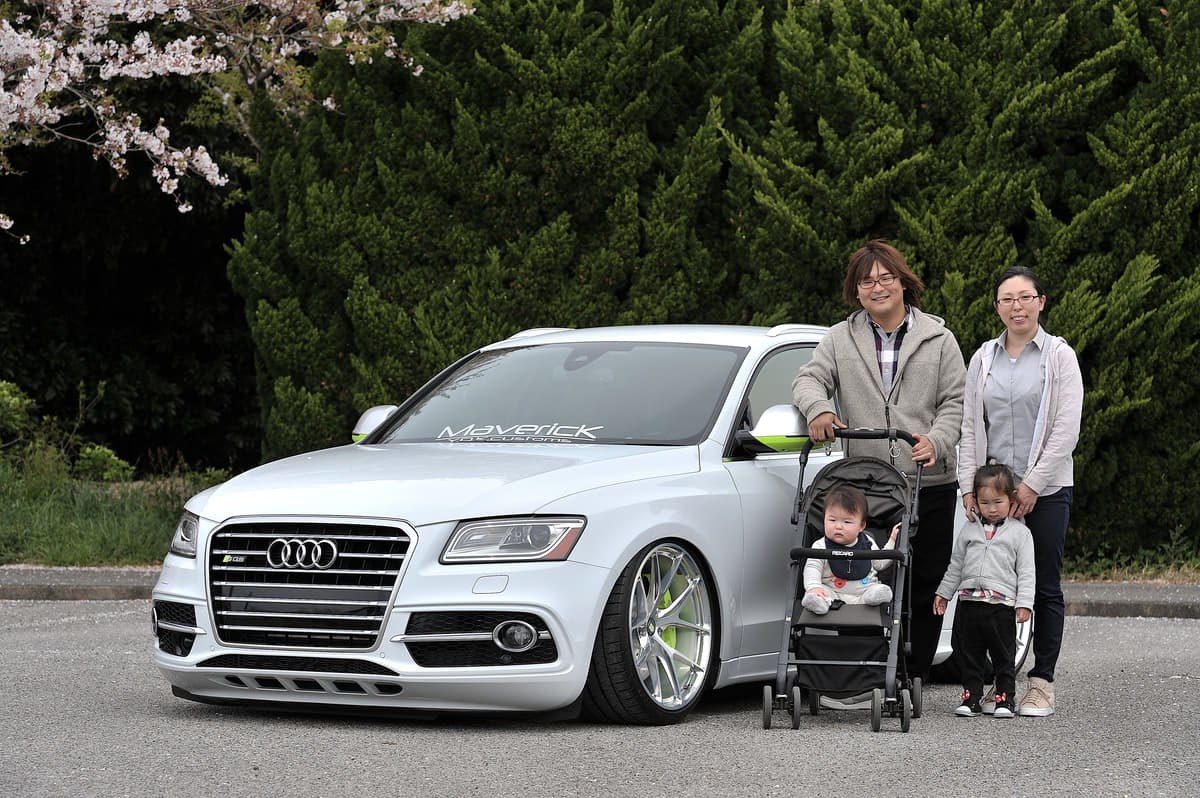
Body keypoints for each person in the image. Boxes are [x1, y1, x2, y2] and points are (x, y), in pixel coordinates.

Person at [793, 239, 966, 681]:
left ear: (903, 282)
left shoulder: (939, 339)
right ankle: (864, 671)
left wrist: (937, 440)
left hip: (929, 481)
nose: (877, 287)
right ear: (856, 291)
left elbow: (956, 402)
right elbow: (808, 380)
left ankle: (913, 674)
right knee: (862, 577)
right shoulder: (839, 338)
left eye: (886, 278)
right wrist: (819, 409)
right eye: (866, 281)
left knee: (924, 581)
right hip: (869, 487)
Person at [958, 266, 1083, 717]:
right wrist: (968, 487)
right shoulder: (983, 358)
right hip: (992, 492)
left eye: (1026, 297)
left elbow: (1066, 429)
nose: (1017, 307)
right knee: (985, 584)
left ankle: (1041, 683)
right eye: (1007, 299)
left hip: (1045, 490)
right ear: (997, 307)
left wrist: (1031, 486)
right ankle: (991, 683)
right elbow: (970, 427)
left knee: (1043, 585)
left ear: (1041, 302)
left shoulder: (1059, 357)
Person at [934, 464, 1035, 718]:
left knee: (1003, 655)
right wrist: (944, 593)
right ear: (976, 501)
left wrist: (1025, 604)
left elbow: (1027, 572)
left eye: (998, 502)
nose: (991, 509)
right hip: (969, 603)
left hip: (1001, 606)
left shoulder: (1020, 534)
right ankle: (971, 699)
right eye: (985, 502)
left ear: (1011, 499)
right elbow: (956, 565)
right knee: (970, 655)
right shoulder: (969, 530)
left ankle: (1005, 699)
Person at [801, 484, 900, 614]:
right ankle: (818, 603)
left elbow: (880, 563)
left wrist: (892, 540)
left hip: (863, 594)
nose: (838, 526)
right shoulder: (820, 546)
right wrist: (813, 587)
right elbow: (812, 569)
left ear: (861, 526)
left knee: (878, 590)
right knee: (818, 593)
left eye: (846, 522)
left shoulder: (867, 543)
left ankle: (874, 596)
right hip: (832, 593)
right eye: (832, 520)